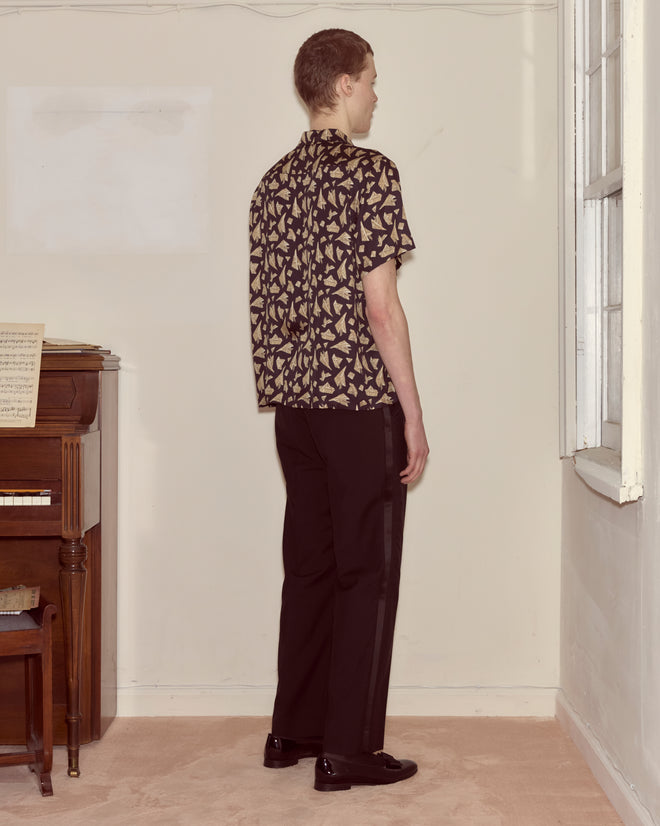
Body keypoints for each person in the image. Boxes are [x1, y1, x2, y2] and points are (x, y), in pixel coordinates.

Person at [249, 27, 429, 792]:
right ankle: (348, 749)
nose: (377, 94)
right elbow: (380, 307)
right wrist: (412, 415)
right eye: (373, 80)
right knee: (367, 573)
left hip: (297, 410)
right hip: (357, 404)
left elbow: (266, 306)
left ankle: (294, 730)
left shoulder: (271, 184)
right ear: (346, 84)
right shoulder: (369, 174)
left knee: (311, 568)